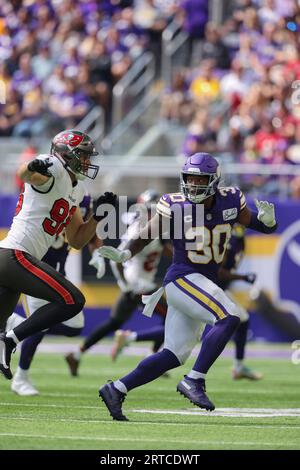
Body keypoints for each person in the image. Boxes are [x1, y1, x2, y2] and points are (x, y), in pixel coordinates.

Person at [97, 152, 277, 421]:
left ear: (214, 181)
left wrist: (269, 222)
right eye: (189, 179)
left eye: (199, 180)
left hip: (201, 282)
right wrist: (125, 254)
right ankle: (195, 380)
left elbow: (259, 225)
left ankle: (117, 388)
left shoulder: (230, 200)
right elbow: (149, 233)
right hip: (183, 278)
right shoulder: (175, 204)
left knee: (173, 354)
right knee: (229, 316)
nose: (193, 185)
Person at [0, 129, 117, 380]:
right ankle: (11, 339)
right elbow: (27, 174)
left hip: (15, 260)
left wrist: (98, 215)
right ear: (67, 155)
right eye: (83, 155)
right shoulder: (53, 167)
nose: (88, 161)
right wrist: (31, 165)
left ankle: (7, 337)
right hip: (15, 255)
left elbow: (76, 239)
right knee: (72, 300)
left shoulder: (78, 188)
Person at [65, 189, 171, 376]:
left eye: (156, 211)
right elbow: (117, 258)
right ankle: (149, 356)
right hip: (139, 287)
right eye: (150, 210)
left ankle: (76, 354)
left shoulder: (157, 229)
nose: (153, 214)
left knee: (114, 322)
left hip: (139, 285)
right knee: (172, 320)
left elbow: (169, 251)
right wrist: (126, 285)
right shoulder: (138, 229)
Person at [9, 194, 106, 396]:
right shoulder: (44, 195)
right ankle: (20, 378)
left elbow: (84, 233)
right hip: (35, 269)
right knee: (40, 326)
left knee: (74, 327)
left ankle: (17, 324)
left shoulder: (82, 199)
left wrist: (97, 250)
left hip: (59, 273)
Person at [218, 223, 263, 380]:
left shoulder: (239, 240)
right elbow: (219, 272)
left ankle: (238, 367)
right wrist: (243, 278)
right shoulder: (223, 240)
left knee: (241, 319)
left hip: (220, 289)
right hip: (210, 288)